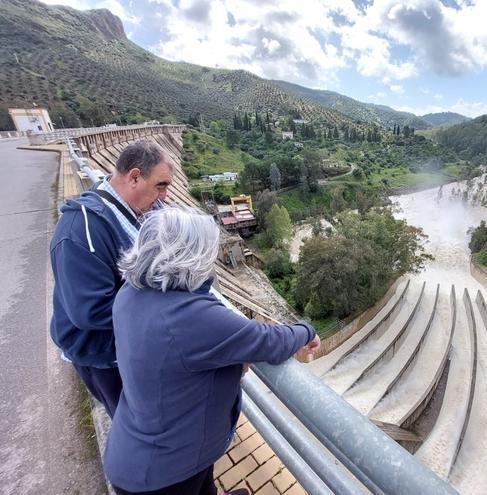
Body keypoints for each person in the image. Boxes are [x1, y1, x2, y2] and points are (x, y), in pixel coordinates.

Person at [104, 207, 320, 495]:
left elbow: (173, 360)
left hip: (143, 445)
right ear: (191, 256)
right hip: (163, 474)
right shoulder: (189, 316)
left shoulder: (130, 293)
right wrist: (306, 330)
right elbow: (269, 341)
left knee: (204, 484)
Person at [50, 140, 174, 418]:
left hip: (126, 345)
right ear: (133, 177)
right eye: (160, 185)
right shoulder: (80, 232)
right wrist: (169, 310)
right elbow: (91, 311)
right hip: (103, 357)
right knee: (132, 421)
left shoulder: (129, 206)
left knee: (149, 414)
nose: (164, 196)